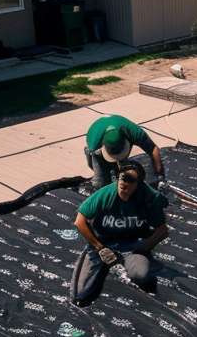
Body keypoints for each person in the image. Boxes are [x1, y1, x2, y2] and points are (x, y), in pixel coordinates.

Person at [70, 161, 169, 306]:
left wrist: (142, 248)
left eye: (131, 180)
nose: (124, 183)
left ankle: (135, 264)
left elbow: (162, 230)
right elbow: (79, 221)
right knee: (80, 295)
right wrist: (100, 248)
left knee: (142, 276)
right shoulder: (105, 194)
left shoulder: (148, 199)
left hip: (131, 243)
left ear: (139, 184)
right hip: (101, 243)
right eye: (122, 178)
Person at [85, 114, 164, 190]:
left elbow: (153, 149)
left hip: (118, 128)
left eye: (120, 155)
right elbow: (92, 165)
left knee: (127, 175)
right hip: (96, 148)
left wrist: (159, 174)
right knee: (100, 183)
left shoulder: (133, 132)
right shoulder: (94, 144)